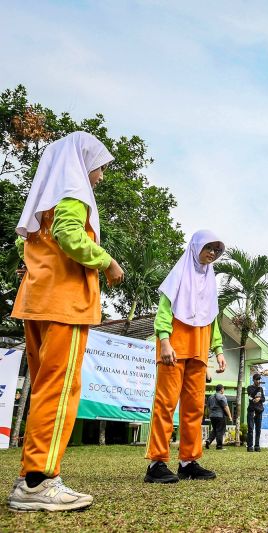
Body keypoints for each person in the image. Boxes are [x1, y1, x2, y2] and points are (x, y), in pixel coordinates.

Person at [7, 132, 124, 512]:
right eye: (100, 166)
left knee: (43, 390)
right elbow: (69, 236)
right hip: (64, 303)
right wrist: (107, 261)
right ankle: (40, 480)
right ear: (82, 162)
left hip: (38, 299)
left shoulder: (46, 198)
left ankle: (30, 476)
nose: (101, 176)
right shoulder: (72, 194)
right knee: (59, 392)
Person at [145, 230, 226, 483]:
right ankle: (156, 463)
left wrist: (219, 351)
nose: (212, 253)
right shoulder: (178, 274)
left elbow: (212, 320)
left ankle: (188, 461)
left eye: (216, 250)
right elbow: (163, 313)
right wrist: (165, 342)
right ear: (195, 247)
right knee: (166, 405)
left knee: (193, 410)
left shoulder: (210, 282)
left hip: (199, 351)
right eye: (208, 248)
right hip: (174, 349)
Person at [205, 384, 233, 450]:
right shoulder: (222, 397)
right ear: (221, 389)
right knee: (220, 430)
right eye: (223, 389)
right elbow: (226, 407)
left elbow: (208, 407)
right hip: (220, 416)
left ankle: (208, 440)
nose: (223, 390)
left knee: (215, 429)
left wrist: (210, 414)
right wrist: (230, 416)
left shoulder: (210, 397)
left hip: (212, 416)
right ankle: (219, 446)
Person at [247, 374, 266, 452]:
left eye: (259, 380)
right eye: (256, 380)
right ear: (253, 380)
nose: (258, 381)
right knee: (250, 428)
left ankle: (257, 446)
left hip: (259, 411)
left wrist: (259, 399)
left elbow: (263, 399)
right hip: (251, 410)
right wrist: (254, 399)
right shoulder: (250, 388)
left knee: (258, 429)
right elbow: (250, 396)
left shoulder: (261, 389)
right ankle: (250, 446)